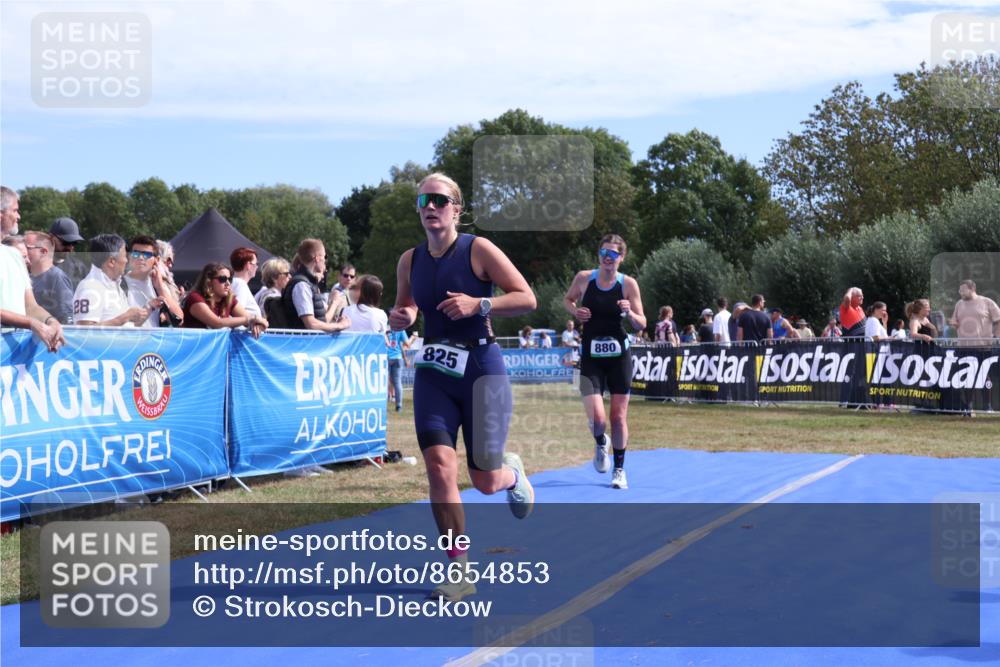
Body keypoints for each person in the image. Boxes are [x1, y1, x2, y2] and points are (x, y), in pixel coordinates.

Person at [388, 172, 536, 602]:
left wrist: (480, 303)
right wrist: (404, 316)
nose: (430, 207)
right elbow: (408, 305)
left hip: (481, 368)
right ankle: (459, 569)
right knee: (438, 465)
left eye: (439, 200)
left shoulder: (479, 249)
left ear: (456, 208)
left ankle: (511, 474)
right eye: (423, 201)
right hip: (434, 370)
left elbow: (526, 297)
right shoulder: (409, 260)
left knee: (484, 480)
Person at [563, 233, 647, 492]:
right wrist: (575, 311)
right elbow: (567, 300)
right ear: (598, 255)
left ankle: (619, 469)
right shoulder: (584, 279)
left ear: (621, 258)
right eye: (604, 254)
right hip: (591, 357)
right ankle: (601, 441)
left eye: (613, 254)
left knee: (618, 417)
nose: (608, 259)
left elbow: (642, 324)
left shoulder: (628, 284)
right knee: (599, 419)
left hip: (619, 357)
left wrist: (629, 312)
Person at [0, 230, 66, 353]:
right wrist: (31, 323)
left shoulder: (22, 271)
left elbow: (31, 306)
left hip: (15, 352)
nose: (28, 261)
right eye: (23, 257)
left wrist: (52, 322)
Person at [72, 234, 149, 327]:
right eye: (125, 255)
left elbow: (127, 325)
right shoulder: (90, 287)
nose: (126, 260)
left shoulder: (115, 285)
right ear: (112, 261)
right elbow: (85, 331)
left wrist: (150, 307)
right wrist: (125, 317)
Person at [279, 239, 352, 333]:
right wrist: (339, 325)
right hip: (302, 345)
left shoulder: (308, 283)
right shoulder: (301, 285)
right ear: (317, 258)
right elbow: (311, 324)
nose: (325, 261)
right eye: (325, 256)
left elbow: (320, 320)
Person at [181, 262, 268, 337]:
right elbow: (217, 323)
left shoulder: (228, 299)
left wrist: (257, 325)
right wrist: (252, 319)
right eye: (222, 279)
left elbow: (257, 321)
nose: (228, 283)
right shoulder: (195, 298)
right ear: (209, 281)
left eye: (229, 279)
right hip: (194, 351)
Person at [125, 235, 184, 328]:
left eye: (146, 255)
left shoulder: (157, 284)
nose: (140, 258)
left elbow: (179, 319)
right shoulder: (120, 283)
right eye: (135, 253)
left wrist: (160, 287)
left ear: (157, 260)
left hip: (153, 340)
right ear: (129, 257)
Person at [24, 231, 74, 324]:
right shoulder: (25, 278)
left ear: (43, 251)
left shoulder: (57, 278)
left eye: (27, 248)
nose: (22, 251)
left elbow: (67, 320)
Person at [49, 217, 89, 287]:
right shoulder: (35, 266)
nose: (70, 248)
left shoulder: (80, 269)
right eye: (66, 242)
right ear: (51, 238)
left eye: (74, 243)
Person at [230, 247, 262, 318]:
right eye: (256, 263)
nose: (257, 267)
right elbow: (237, 315)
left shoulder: (232, 282)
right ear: (248, 265)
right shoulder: (240, 284)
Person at [387, 327, 411, 412]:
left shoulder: (385, 328)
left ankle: (383, 403)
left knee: (385, 382)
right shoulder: (400, 330)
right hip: (397, 357)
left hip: (386, 357)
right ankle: (399, 406)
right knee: (397, 383)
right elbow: (407, 344)